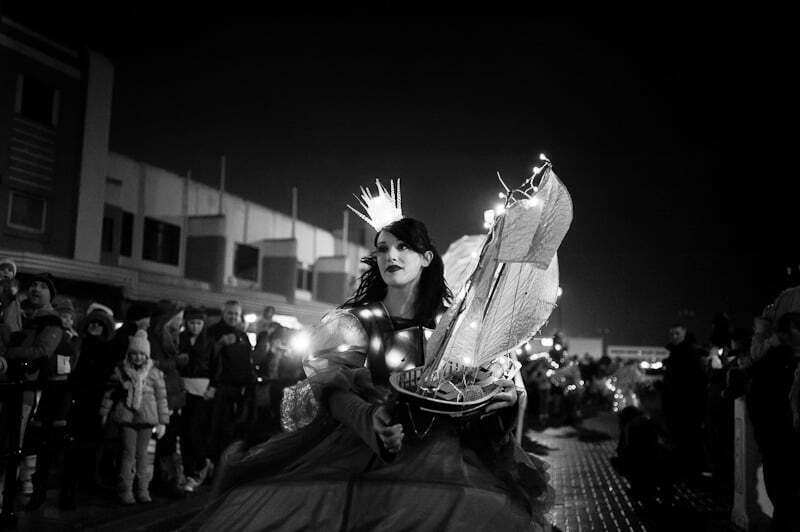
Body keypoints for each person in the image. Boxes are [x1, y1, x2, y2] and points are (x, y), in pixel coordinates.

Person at [185, 217, 553, 531]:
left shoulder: (456, 326)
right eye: (382, 248)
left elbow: (478, 386)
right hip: (364, 448)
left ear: (427, 258)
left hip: (444, 452)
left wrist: (500, 401)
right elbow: (329, 387)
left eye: (403, 247)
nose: (391, 255)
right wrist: (366, 419)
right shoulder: (356, 322)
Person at [100, 330, 169, 504]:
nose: (138, 357)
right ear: (129, 354)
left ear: (147, 355)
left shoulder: (154, 373)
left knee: (142, 454)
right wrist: (104, 412)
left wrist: (163, 421)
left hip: (147, 417)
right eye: (134, 353)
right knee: (128, 453)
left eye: (141, 354)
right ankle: (125, 491)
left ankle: (143, 490)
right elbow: (110, 393)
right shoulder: (121, 371)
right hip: (127, 416)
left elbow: (161, 398)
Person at [746, 312, 800, 531]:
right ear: (785, 334)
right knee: (783, 481)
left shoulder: (778, 358)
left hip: (777, 431)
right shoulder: (777, 360)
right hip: (780, 431)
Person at [206, 300, 254, 463]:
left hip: (240, 390)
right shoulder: (213, 332)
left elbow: (249, 361)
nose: (233, 317)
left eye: (236, 314)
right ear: (223, 313)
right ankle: (214, 465)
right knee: (216, 429)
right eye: (230, 313)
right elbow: (209, 360)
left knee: (234, 430)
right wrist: (220, 344)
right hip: (220, 388)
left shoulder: (243, 336)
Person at [661, 323, 707, 482]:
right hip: (677, 403)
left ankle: (688, 472)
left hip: (685, 404)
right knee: (680, 438)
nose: (674, 336)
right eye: (672, 333)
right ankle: (686, 471)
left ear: (684, 334)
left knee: (686, 438)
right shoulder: (677, 353)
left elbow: (693, 381)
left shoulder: (688, 353)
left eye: (677, 333)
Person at [177, 306, 214, 492]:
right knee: (183, 432)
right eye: (192, 322)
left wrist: (213, 387)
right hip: (183, 386)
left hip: (201, 388)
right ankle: (188, 472)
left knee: (194, 430)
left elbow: (216, 365)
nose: (195, 326)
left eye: (198, 323)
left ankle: (200, 465)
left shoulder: (209, 342)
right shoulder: (180, 339)